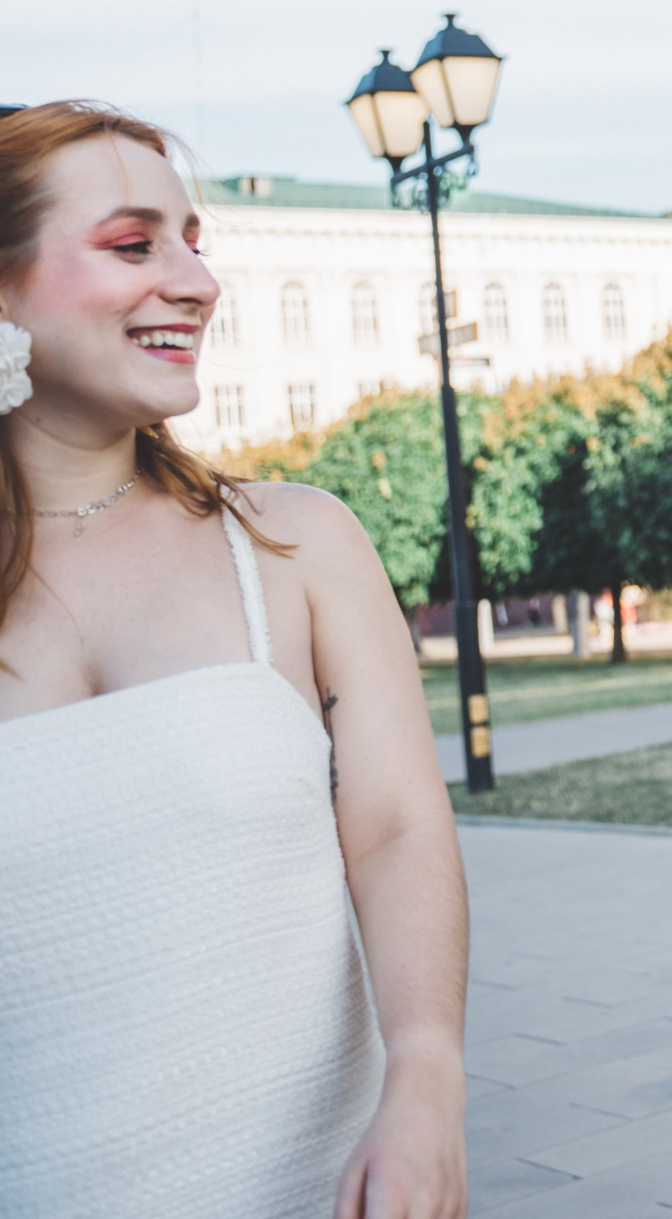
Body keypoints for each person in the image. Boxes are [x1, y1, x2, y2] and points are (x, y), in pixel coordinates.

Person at [0, 103, 468, 1219]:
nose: (198, 283)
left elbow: (398, 827)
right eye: (133, 244)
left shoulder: (296, 542)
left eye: (193, 241)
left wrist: (426, 1074)